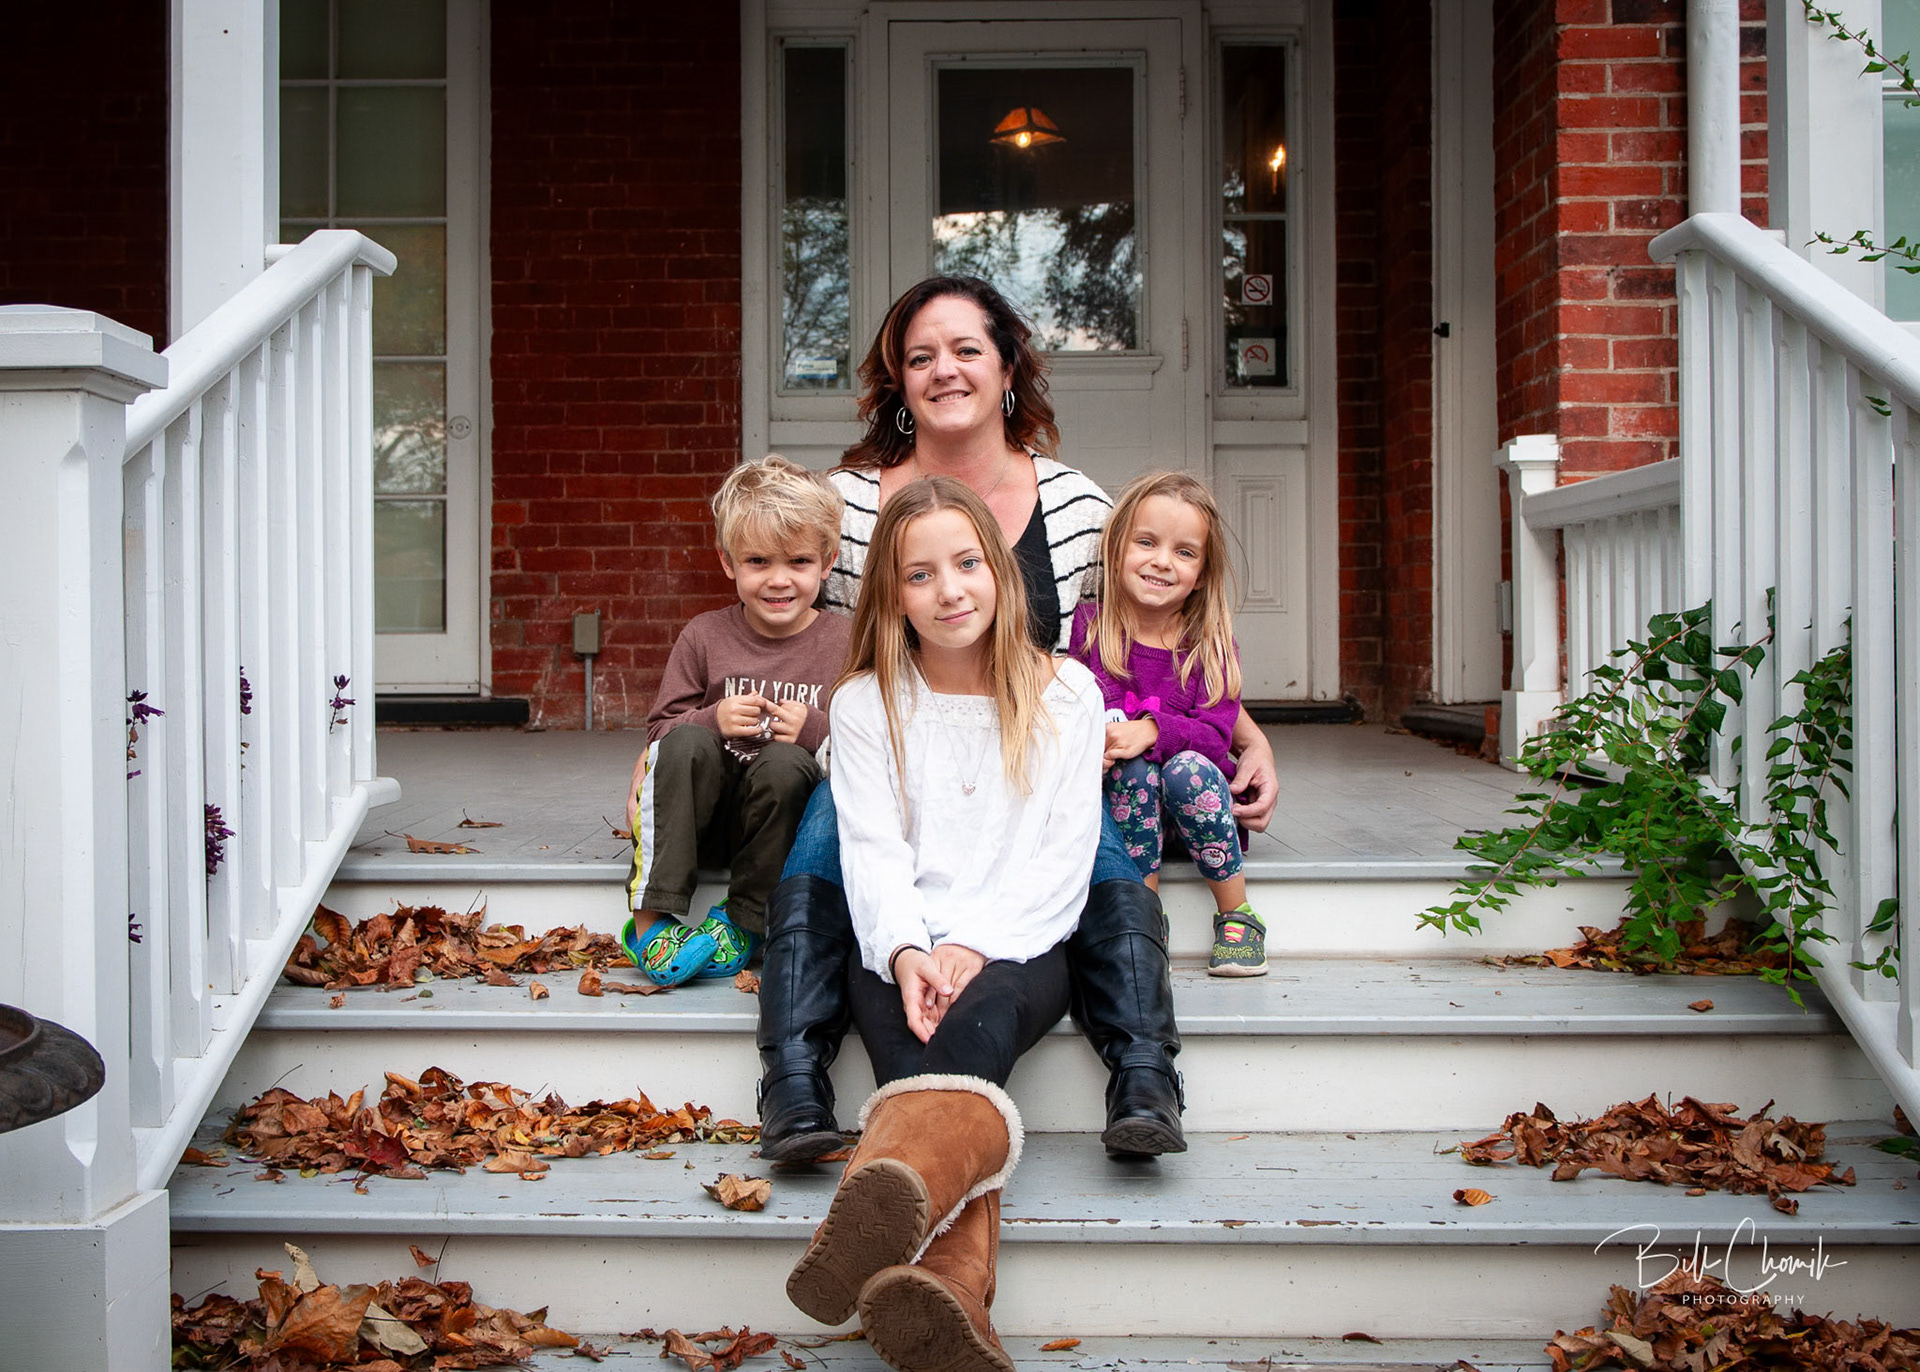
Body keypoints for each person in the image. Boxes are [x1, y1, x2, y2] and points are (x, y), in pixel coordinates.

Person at [755, 275, 1279, 1162]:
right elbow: (781, 622)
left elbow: (1150, 632)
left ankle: (1145, 1072)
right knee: (828, 834)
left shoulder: (1077, 505)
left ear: (1008, 370)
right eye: (920, 356)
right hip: (893, 760)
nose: (944, 370)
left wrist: (1245, 732)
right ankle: (794, 1083)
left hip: (1038, 769)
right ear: (898, 380)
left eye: (967, 350)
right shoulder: (843, 505)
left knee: (1099, 852)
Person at [784, 476, 1102, 1372]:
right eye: (920, 575)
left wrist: (971, 946)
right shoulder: (863, 703)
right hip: (898, 938)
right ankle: (955, 1290)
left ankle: (891, 1194)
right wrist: (911, 948)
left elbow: (1062, 857)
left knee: (969, 1030)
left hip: (1020, 942)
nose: (950, 590)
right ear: (892, 594)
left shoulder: (1066, 696)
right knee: (921, 1037)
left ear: (1000, 571)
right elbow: (872, 851)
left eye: (967, 564)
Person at [622, 456, 851, 985]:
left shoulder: (846, 641)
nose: (778, 580)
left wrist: (817, 730)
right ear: (728, 562)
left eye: (797, 561)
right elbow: (659, 737)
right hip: (697, 824)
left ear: (828, 561)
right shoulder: (704, 636)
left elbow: (875, 742)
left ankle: (744, 921)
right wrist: (712, 718)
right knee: (685, 743)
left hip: (778, 830)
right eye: (757, 561)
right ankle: (651, 920)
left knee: (787, 762)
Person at [1072, 471, 1266, 977]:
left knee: (1185, 768)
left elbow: (1218, 735)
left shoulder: (1210, 646)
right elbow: (1098, 714)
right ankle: (1144, 916)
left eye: (1184, 552)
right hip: (1127, 807)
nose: (1162, 561)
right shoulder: (1091, 629)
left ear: (1202, 573)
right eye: (1146, 542)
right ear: (1116, 550)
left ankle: (1237, 913)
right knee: (1132, 768)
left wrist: (1154, 730)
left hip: (1196, 810)